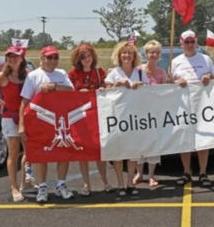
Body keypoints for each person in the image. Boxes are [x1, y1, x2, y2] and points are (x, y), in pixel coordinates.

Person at [19, 46, 75, 203]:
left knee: (63, 153)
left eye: (55, 57)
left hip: (60, 121)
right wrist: (22, 125)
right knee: (42, 155)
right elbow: (24, 102)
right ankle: (42, 187)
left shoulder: (62, 74)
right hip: (40, 122)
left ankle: (61, 185)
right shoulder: (33, 76)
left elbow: (71, 90)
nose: (52, 61)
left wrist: (54, 87)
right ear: (42, 59)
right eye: (49, 57)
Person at [0, 46, 34, 202]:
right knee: (13, 154)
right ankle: (14, 187)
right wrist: (0, 103)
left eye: (16, 56)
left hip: (26, 118)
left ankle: (26, 182)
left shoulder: (27, 75)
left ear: (21, 58)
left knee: (30, 152)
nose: (12, 59)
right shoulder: (2, 76)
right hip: (10, 118)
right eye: (9, 57)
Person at [171, 30, 214, 187]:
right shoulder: (175, 61)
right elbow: (169, 84)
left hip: (203, 105)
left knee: (203, 139)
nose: (190, 45)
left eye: (192, 42)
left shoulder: (205, 59)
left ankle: (203, 173)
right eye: (187, 42)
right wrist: (176, 82)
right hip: (183, 106)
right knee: (184, 140)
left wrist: (208, 76)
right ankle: (186, 172)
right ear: (181, 43)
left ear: (196, 42)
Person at [68, 43, 114, 196]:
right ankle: (86, 183)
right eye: (83, 57)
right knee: (83, 152)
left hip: (98, 116)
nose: (86, 60)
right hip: (80, 117)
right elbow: (67, 92)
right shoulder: (73, 74)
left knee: (99, 151)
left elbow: (108, 88)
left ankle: (105, 181)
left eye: (88, 56)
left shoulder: (99, 72)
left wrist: (102, 89)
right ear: (78, 59)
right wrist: (77, 92)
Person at [104, 41, 149, 197]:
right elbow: (105, 93)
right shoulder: (114, 73)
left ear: (134, 56)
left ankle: (130, 183)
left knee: (132, 152)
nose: (126, 55)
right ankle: (120, 184)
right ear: (119, 55)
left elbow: (150, 92)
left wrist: (141, 85)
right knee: (118, 152)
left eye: (129, 53)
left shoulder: (141, 73)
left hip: (135, 118)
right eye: (124, 53)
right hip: (117, 117)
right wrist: (117, 83)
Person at [132, 40, 167, 188]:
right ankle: (139, 173)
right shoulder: (138, 70)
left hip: (155, 114)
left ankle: (151, 175)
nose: (154, 55)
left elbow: (166, 92)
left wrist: (170, 82)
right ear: (146, 54)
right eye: (152, 52)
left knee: (153, 144)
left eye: (157, 52)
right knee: (139, 143)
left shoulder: (161, 72)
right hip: (138, 114)